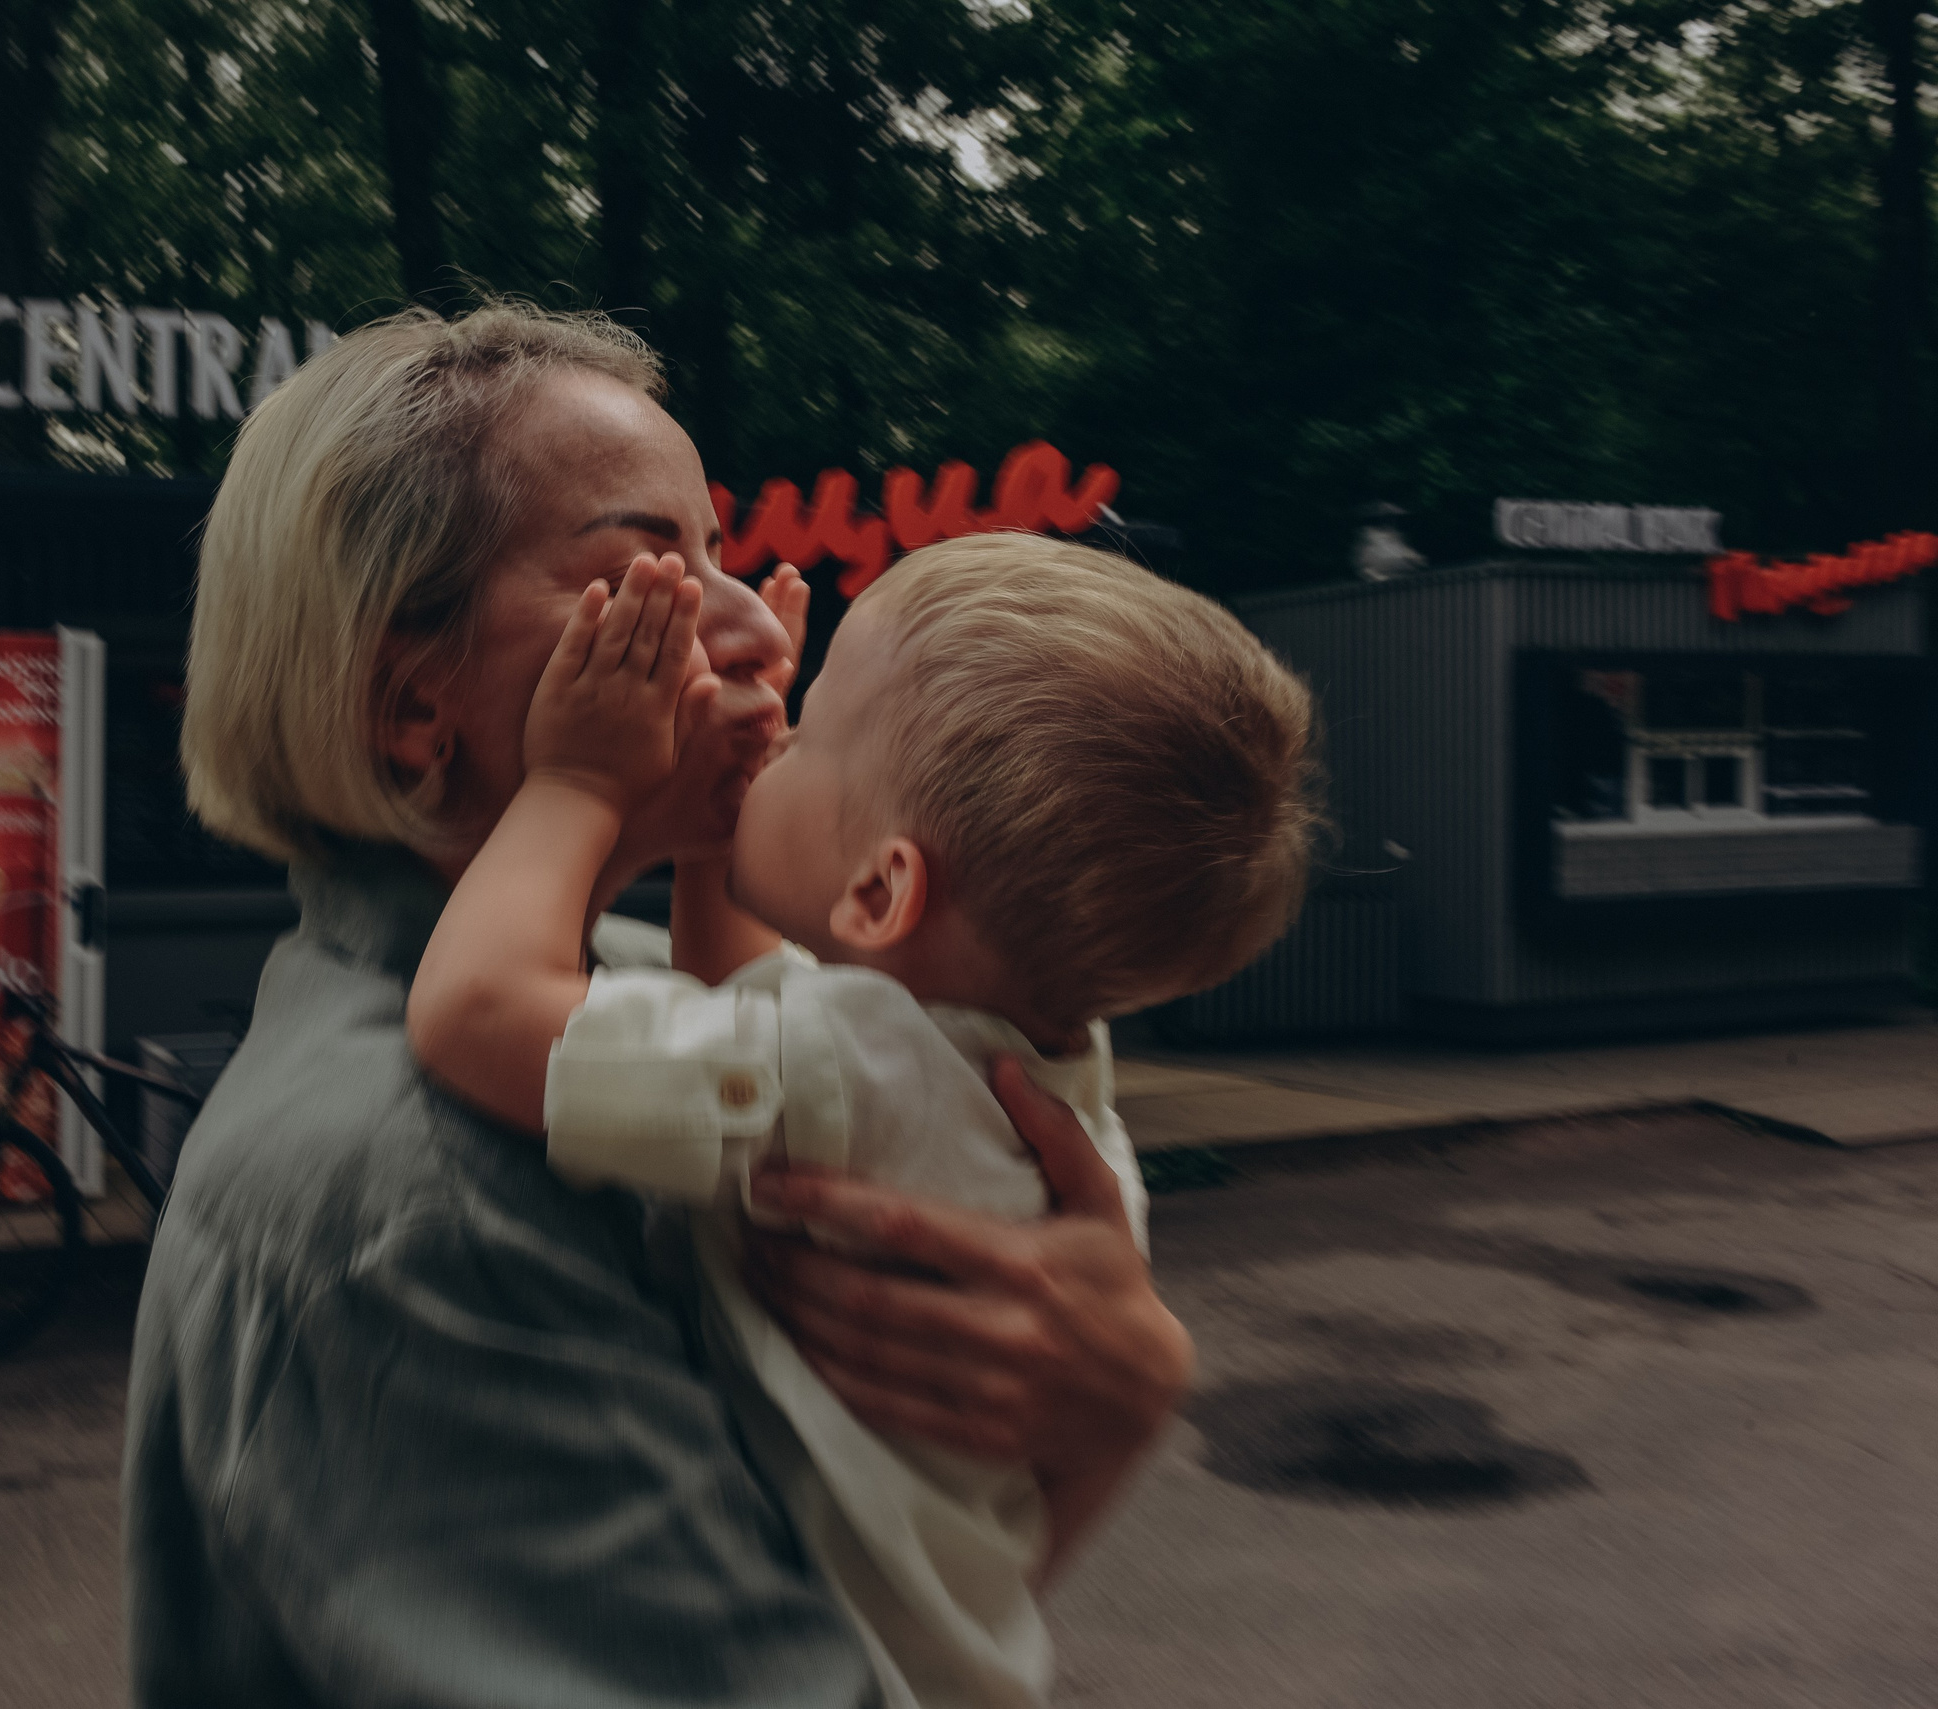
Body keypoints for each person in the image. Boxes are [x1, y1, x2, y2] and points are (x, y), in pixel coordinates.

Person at [127, 302, 1198, 1708]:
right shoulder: (428, 1192)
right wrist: (1116, 1426)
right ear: (411, 704)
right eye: (652, 574)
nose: (759, 626)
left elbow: (873, 1562)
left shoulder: (606, 994)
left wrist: (1110, 1397)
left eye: (725, 556)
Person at [404, 539, 1317, 1707]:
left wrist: (575, 781)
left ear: (881, 892)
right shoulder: (1026, 1073)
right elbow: (753, 999)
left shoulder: (837, 1072)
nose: (769, 733)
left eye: (809, 731)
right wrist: (718, 839)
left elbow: (476, 1013)